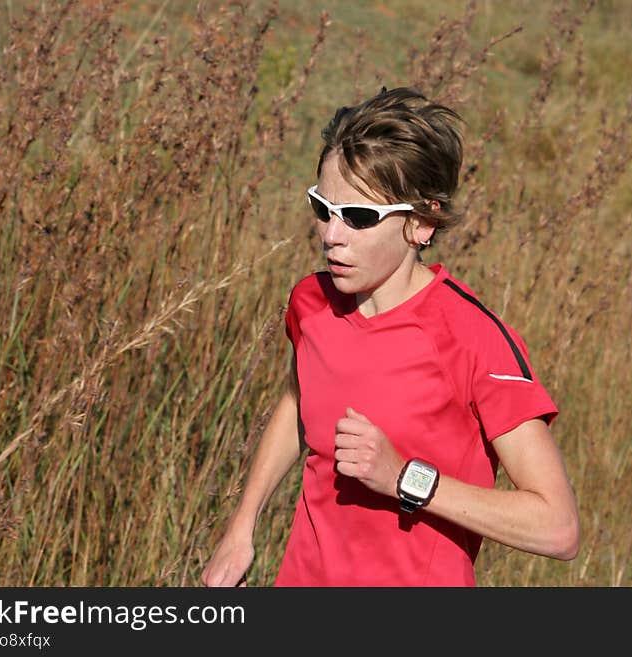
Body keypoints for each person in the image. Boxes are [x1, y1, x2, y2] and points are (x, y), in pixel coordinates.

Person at [201, 86, 579, 587]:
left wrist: (404, 477)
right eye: (323, 208)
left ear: (422, 223)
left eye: (359, 217)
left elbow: (558, 528)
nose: (332, 234)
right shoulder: (312, 303)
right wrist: (241, 526)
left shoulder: (474, 340)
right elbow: (298, 401)